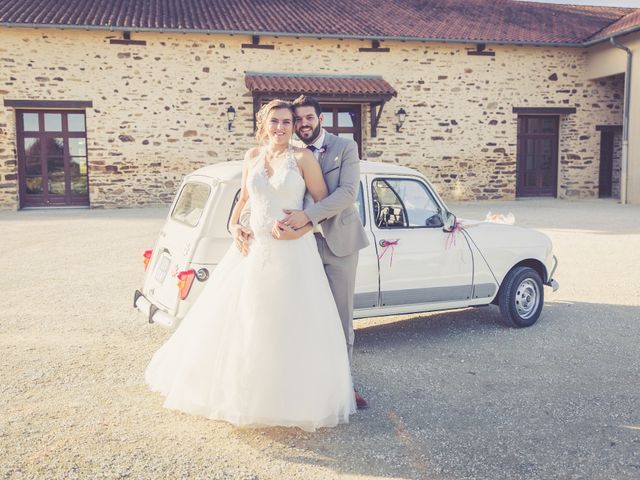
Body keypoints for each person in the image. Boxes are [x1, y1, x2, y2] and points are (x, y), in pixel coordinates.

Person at [145, 100, 355, 431]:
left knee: (289, 324)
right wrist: (234, 226)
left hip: (292, 253)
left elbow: (319, 204)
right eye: (275, 121)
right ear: (263, 122)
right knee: (246, 321)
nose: (282, 127)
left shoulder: (303, 158)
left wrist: (297, 229)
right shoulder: (251, 157)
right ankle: (243, 396)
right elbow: (243, 200)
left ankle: (290, 399)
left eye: (287, 122)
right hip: (252, 251)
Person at [240, 95, 370, 409]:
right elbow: (252, 198)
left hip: (336, 241)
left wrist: (306, 219)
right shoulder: (285, 154)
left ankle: (343, 384)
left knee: (337, 319)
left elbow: (347, 193)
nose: (302, 124)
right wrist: (239, 224)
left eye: (307, 118)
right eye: (297, 120)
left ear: (320, 118)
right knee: (301, 317)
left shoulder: (344, 147)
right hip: (296, 247)